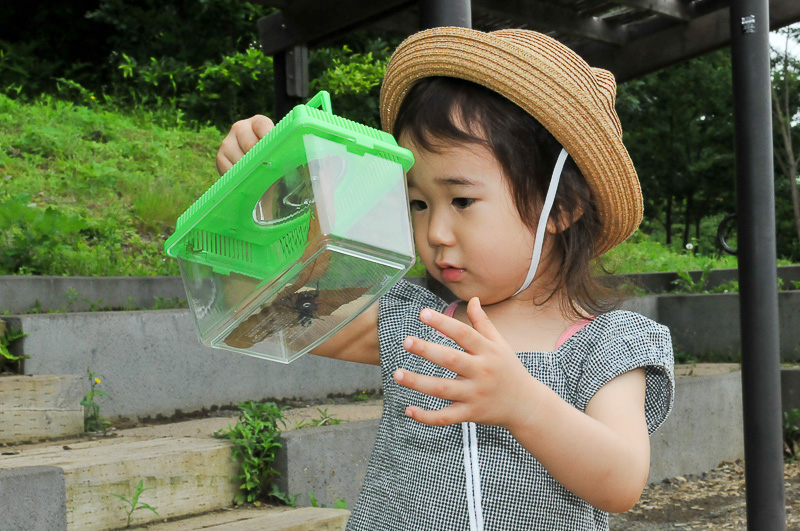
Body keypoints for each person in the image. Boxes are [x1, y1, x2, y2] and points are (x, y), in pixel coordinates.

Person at [216, 27, 674, 531]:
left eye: (461, 201)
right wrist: (258, 190)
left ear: (560, 207)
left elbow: (622, 481)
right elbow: (265, 317)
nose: (434, 232)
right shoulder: (416, 323)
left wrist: (523, 403)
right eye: (418, 202)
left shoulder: (609, 346)